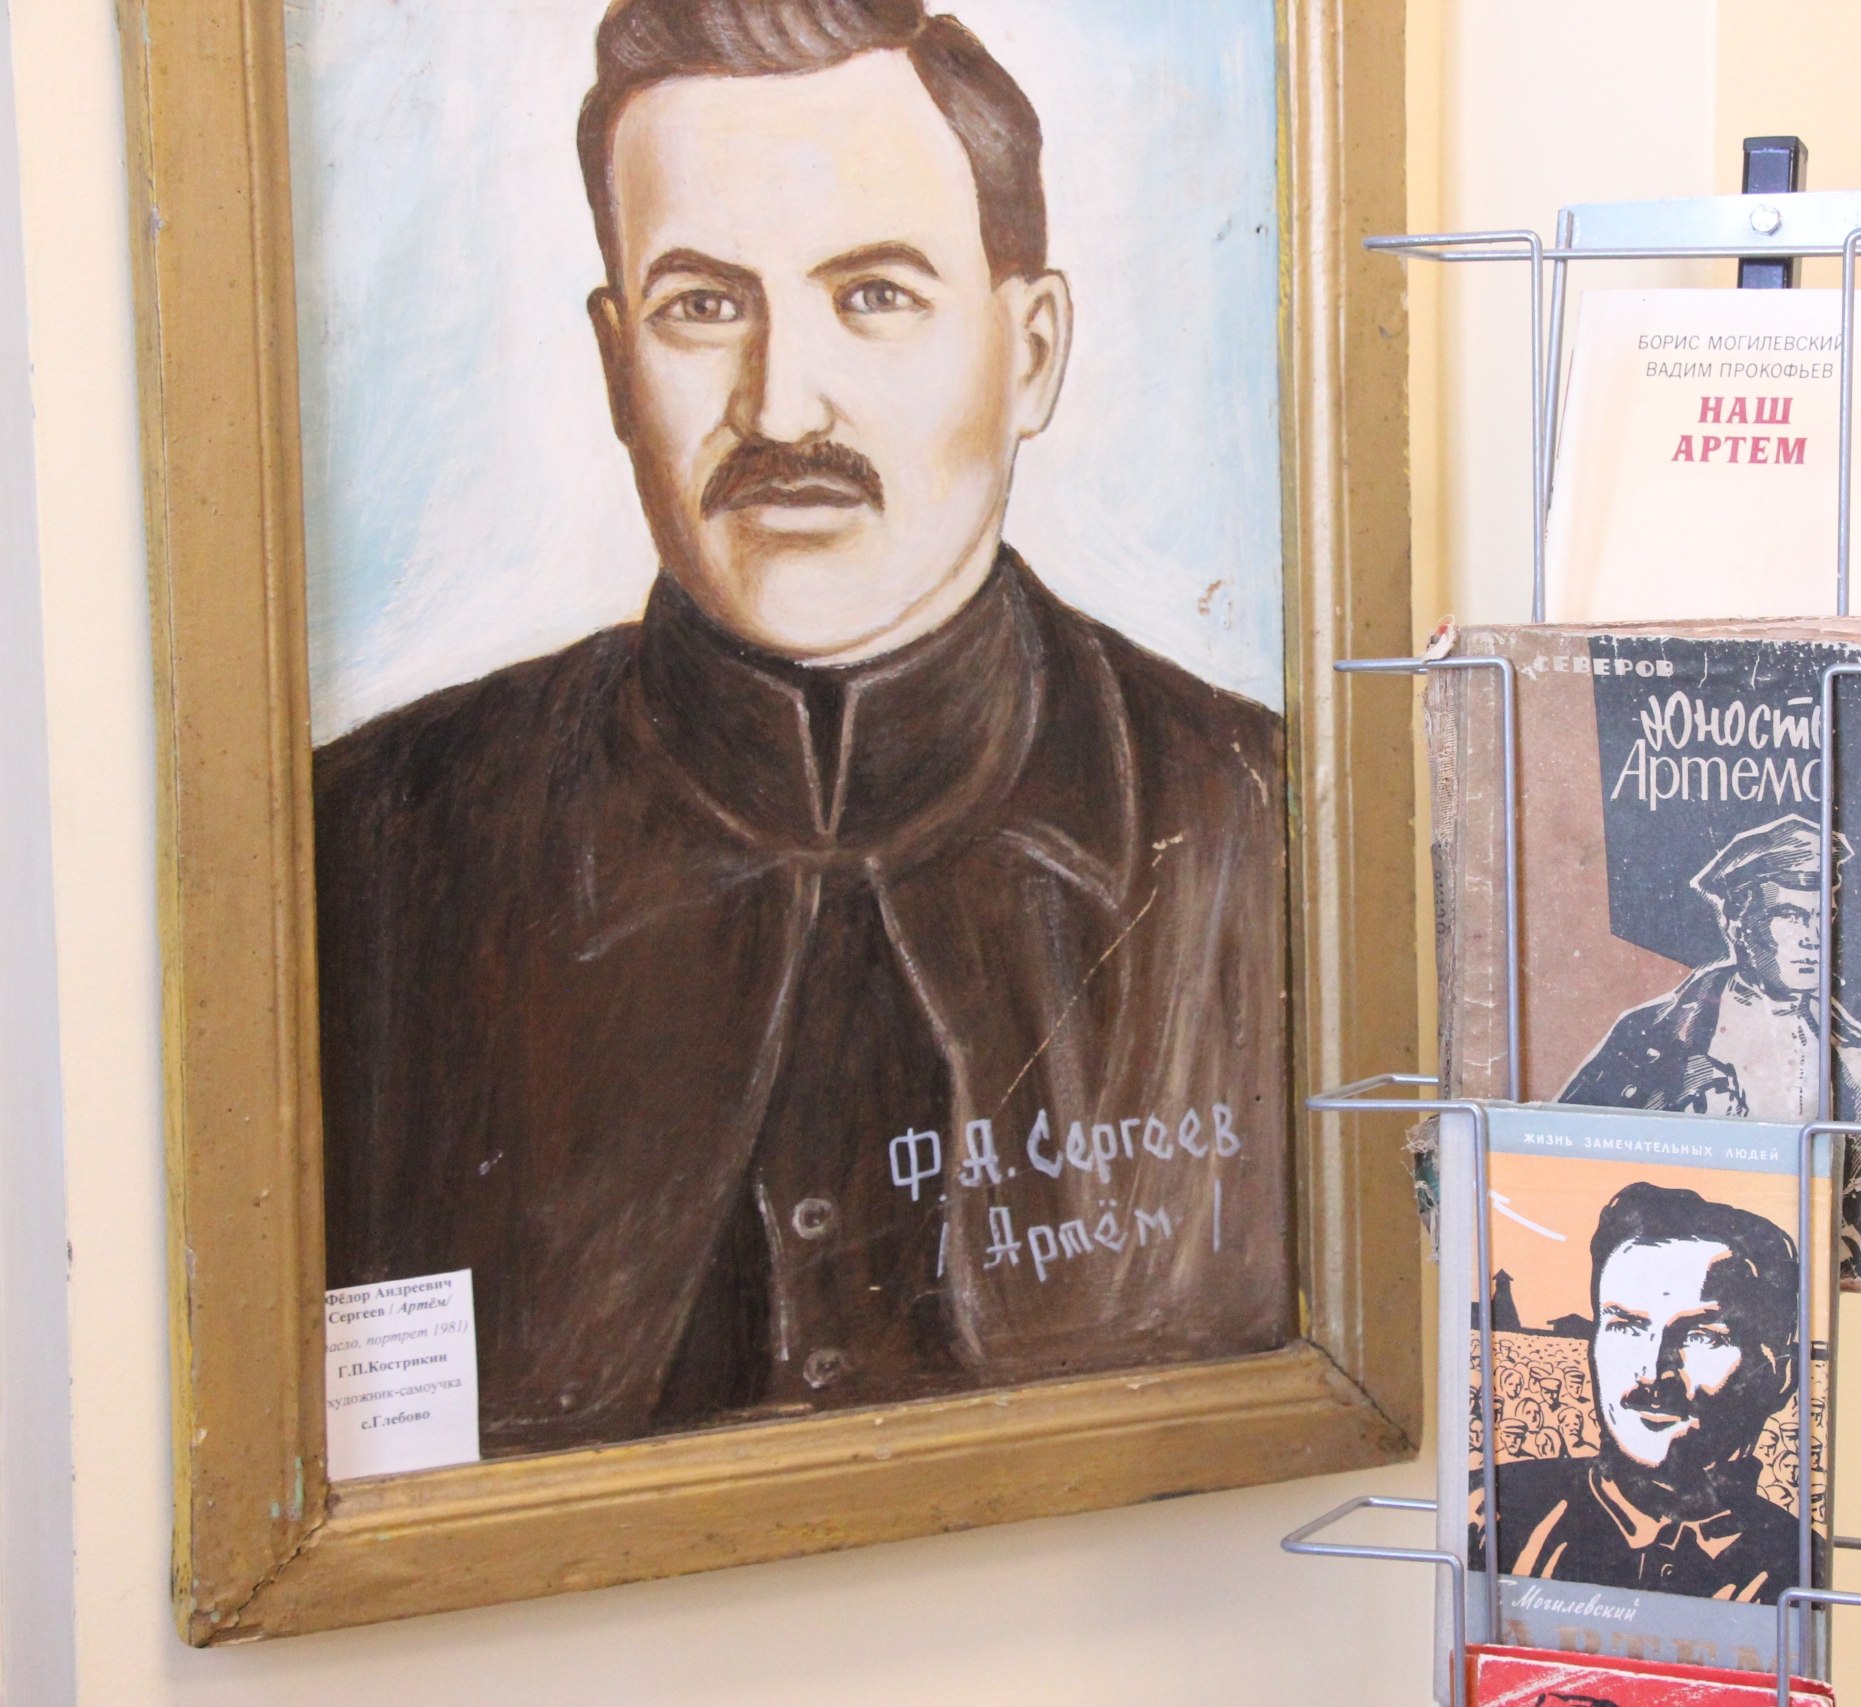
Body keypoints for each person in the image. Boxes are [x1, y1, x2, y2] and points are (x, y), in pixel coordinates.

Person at [315, 0, 1289, 1457]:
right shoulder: (364, 847)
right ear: (615, 364)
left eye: (874, 294)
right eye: (702, 305)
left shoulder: (1266, 826)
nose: (780, 407)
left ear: (1031, 353)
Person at [1474, 1184, 1807, 1601]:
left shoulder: (1800, 1565)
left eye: (1701, 1335)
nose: (1651, 1373)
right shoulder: (1486, 1510)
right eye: (1626, 1327)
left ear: (1781, 1376)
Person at [1560, 816, 1861, 1125]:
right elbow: (1572, 1150)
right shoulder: (1650, 1036)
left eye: (1824, 916)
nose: (1815, 939)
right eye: (1791, 917)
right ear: (1737, 923)